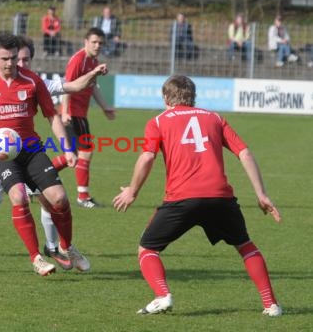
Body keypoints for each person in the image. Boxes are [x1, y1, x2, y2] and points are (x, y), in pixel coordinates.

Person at [112, 75, 282, 317]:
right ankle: (271, 304)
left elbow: (148, 157)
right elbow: (244, 152)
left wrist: (132, 190)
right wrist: (261, 194)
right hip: (220, 198)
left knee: (147, 249)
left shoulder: (158, 121)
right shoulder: (214, 118)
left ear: (165, 98)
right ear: (193, 96)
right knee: (245, 246)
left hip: (182, 199)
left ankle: (162, 295)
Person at [0, 36, 107, 270]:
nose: (10, 63)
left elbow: (51, 115)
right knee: (13, 198)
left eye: (14, 58)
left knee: (59, 199)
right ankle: (35, 257)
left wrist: (67, 148)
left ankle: (66, 247)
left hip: (32, 150)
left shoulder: (33, 81)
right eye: (5, 58)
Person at [55, 27, 116, 209]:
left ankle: (34, 181)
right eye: (94, 42)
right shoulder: (78, 60)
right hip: (72, 113)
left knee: (72, 156)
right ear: (86, 42)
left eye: (100, 43)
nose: (97, 46)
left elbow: (93, 87)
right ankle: (83, 197)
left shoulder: (93, 61)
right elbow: (67, 86)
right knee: (84, 152)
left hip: (81, 114)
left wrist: (105, 107)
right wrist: (65, 111)